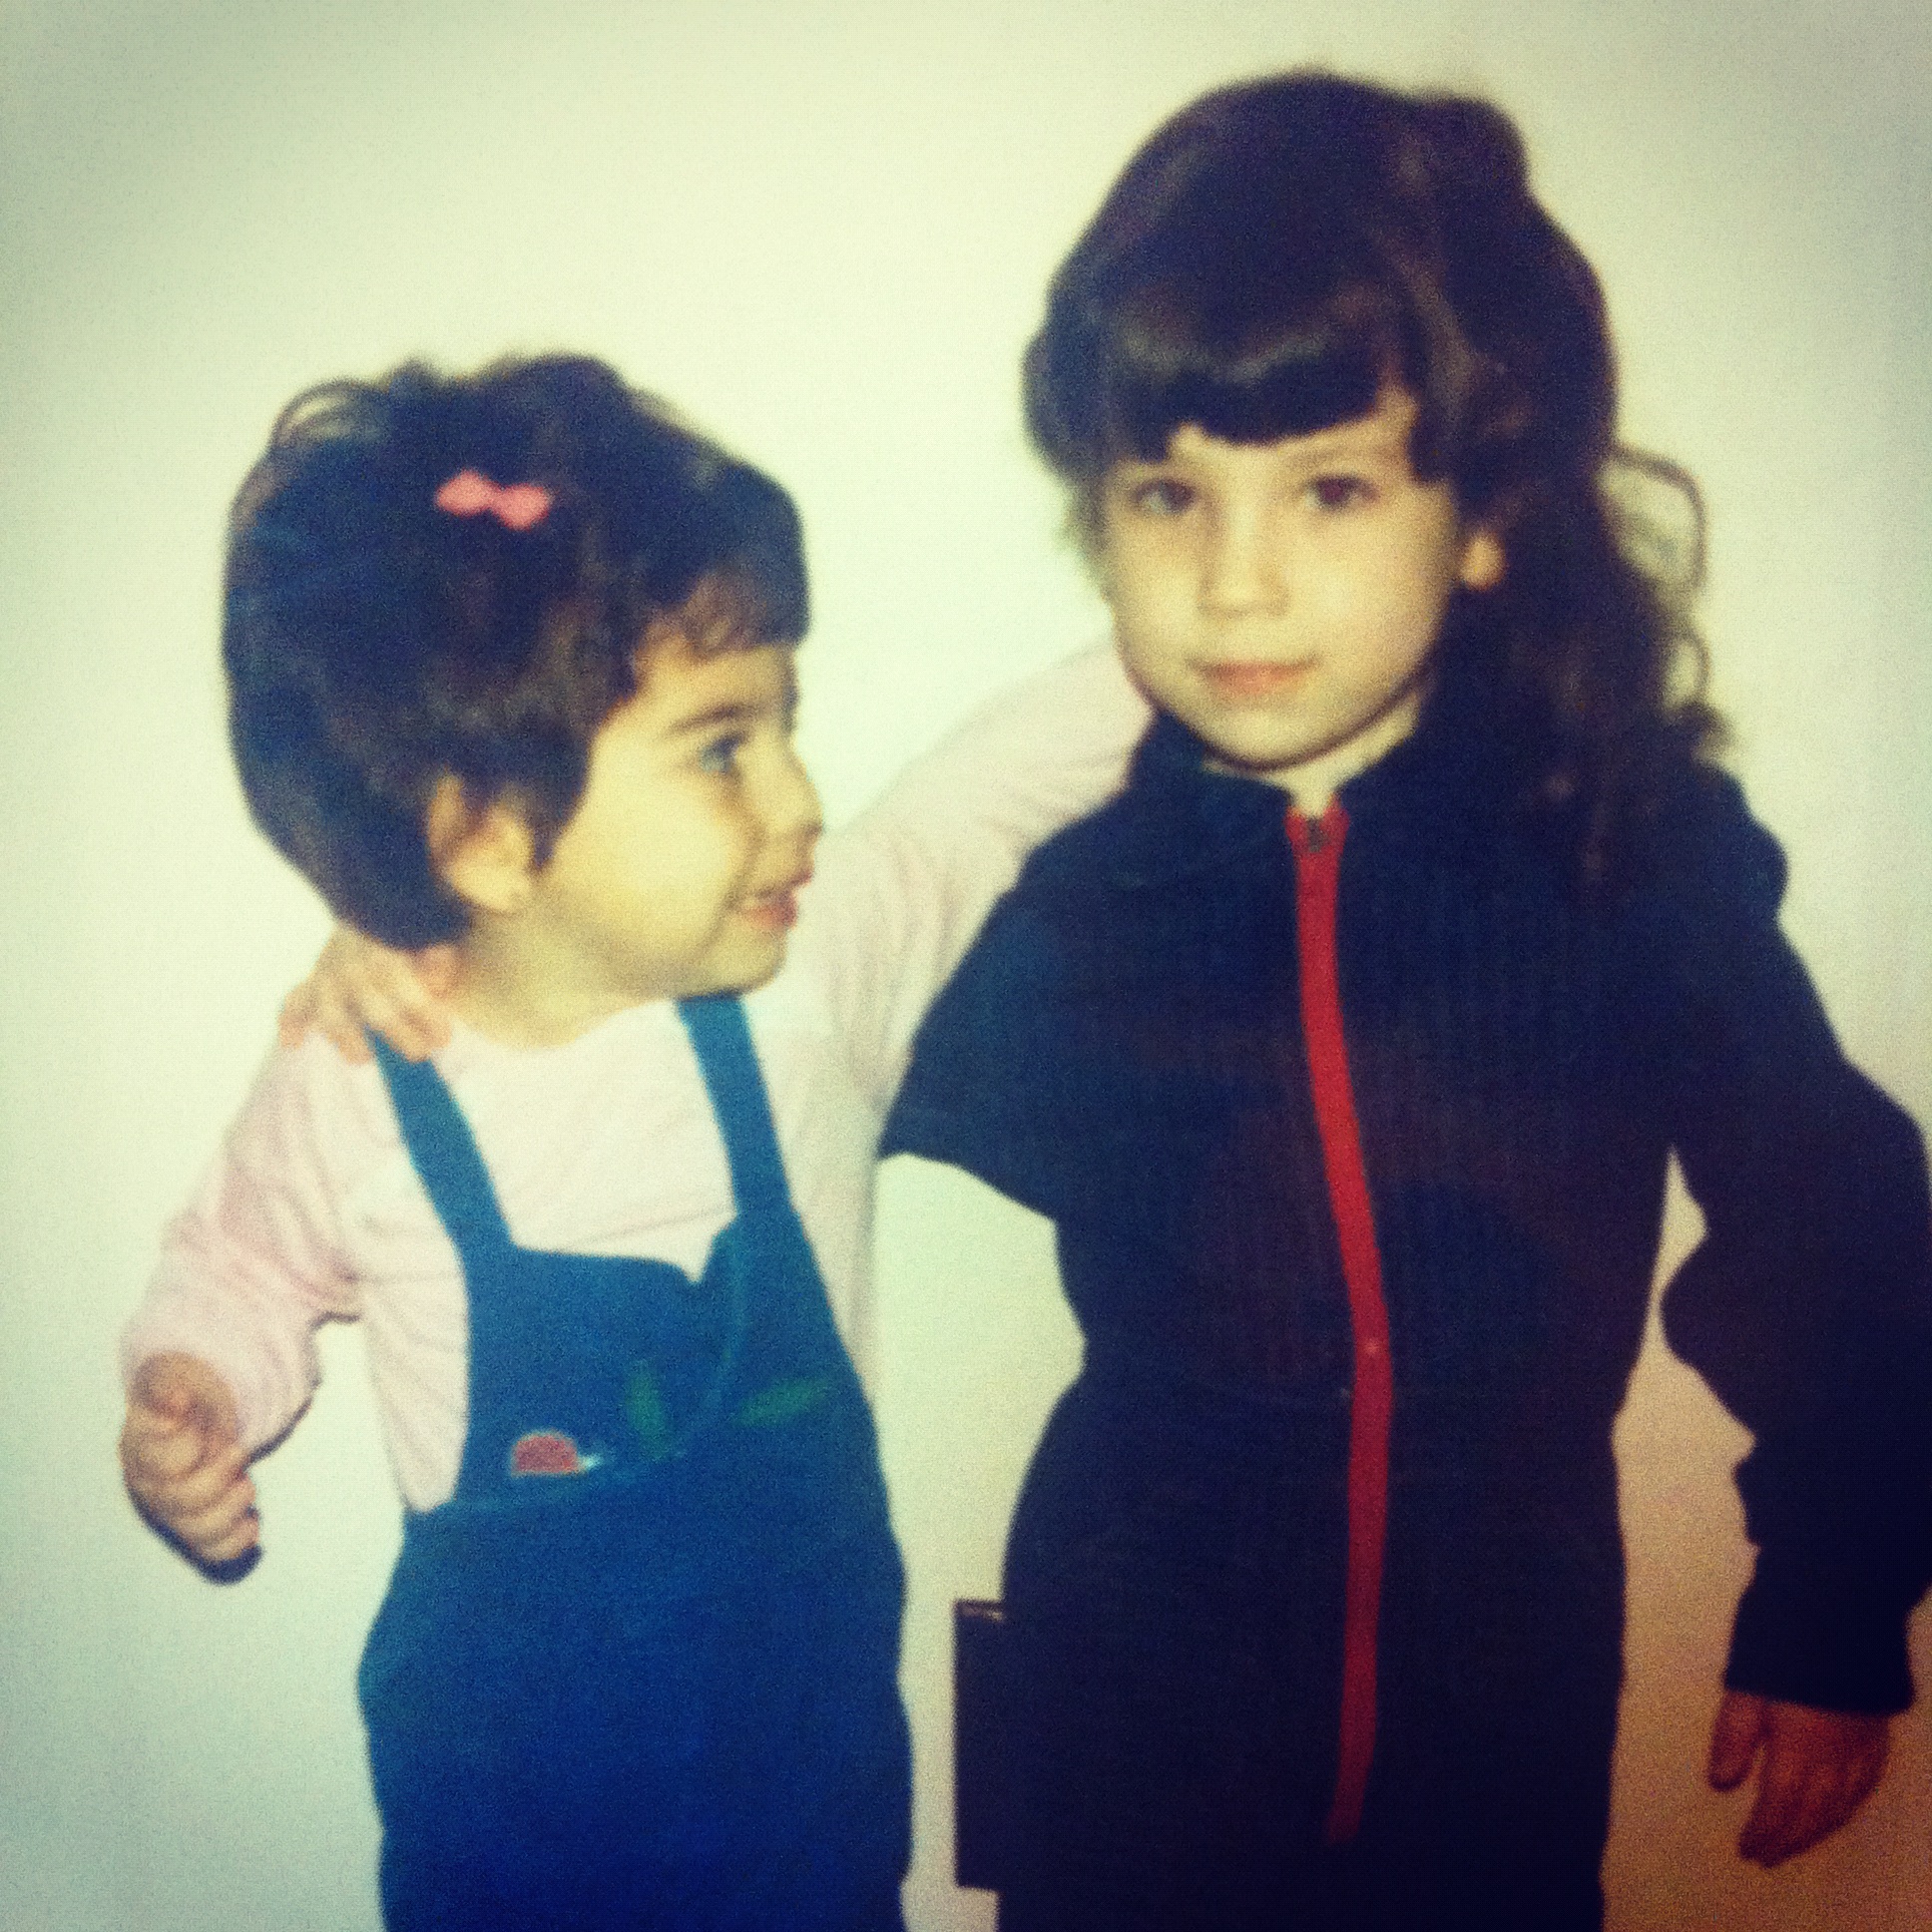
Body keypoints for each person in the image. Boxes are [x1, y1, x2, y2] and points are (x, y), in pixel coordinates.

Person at [878, 73, 1932, 1930]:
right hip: (1130, 1743)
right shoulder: (1078, 889)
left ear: (1487, 514)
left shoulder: (1623, 850)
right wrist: (453, 957)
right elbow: (779, 1030)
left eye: (1332, 488)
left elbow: (1832, 1213)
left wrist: (1836, 1598)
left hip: (1498, 1738)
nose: (1235, 581)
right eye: (1169, 493)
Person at [118, 352, 1145, 1930]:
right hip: (501, 1871)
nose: (801, 801)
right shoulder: (360, 1075)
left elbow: (983, 795)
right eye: (724, 746)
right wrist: (194, 1388)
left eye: (784, 726)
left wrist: (1195, 628)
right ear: (485, 839)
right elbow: (240, 1264)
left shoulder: (812, 984)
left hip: (812, 1853)